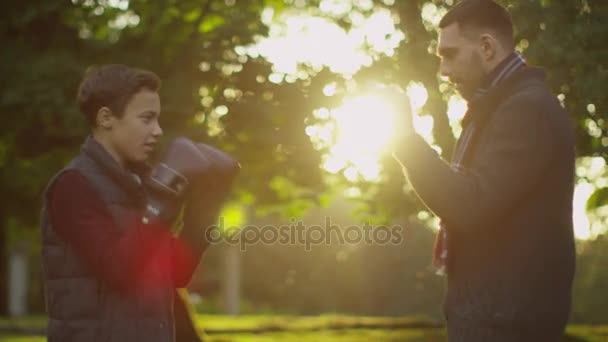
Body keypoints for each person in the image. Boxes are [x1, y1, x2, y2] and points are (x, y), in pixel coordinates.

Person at [391, 0, 576, 340]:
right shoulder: (497, 108)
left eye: (450, 54)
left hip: (508, 325)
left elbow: (470, 204)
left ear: (487, 47)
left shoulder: (526, 109)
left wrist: (406, 141)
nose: (443, 71)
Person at [40, 64, 231, 341]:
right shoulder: (73, 186)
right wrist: (164, 194)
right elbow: (120, 270)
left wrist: (208, 202)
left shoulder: (139, 186)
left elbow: (175, 274)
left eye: (158, 120)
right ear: (106, 118)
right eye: (147, 119)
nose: (157, 131)